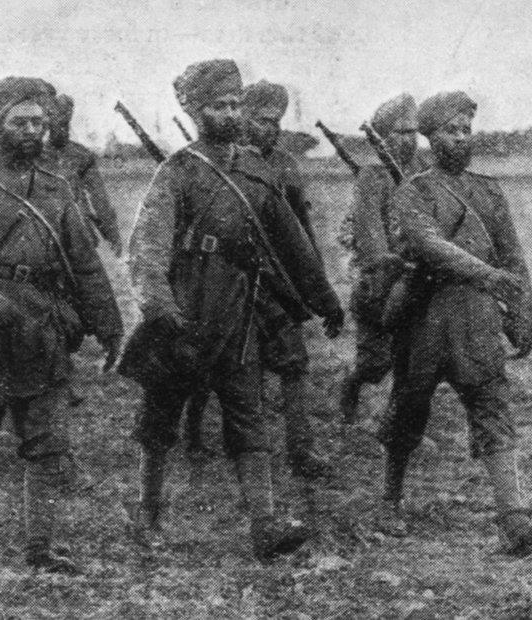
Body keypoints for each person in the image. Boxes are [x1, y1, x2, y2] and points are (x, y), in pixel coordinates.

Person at [123, 59, 344, 562]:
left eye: (234, 104)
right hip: (188, 306)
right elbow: (147, 248)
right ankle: (148, 512)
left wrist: (324, 299)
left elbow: (293, 245)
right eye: (217, 106)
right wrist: (159, 306)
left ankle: (265, 523)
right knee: (161, 414)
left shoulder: (256, 171)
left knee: (247, 411)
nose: (229, 114)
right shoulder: (178, 171)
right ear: (196, 112)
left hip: (240, 310)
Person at [0, 76, 123, 574]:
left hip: (43, 321)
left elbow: (86, 263)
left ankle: (39, 547)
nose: (32, 130)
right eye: (20, 122)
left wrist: (110, 325)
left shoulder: (57, 189)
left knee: (47, 440)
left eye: (39, 121)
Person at [383, 91, 532, 553]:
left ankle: (512, 518)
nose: (461, 139)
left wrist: (522, 316)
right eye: (449, 130)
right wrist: (487, 274)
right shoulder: (414, 190)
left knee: (492, 407)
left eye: (466, 129)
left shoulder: (488, 190)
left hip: (477, 317)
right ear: (429, 137)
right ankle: (390, 500)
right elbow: (427, 244)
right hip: (425, 316)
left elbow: (513, 256)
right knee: (409, 408)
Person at [182, 79, 336, 480]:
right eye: (262, 120)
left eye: (276, 122)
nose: (271, 129)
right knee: (209, 359)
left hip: (277, 283)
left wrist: (317, 288)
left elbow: (300, 229)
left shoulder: (285, 165)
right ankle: (193, 432)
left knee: (294, 363)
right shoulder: (219, 162)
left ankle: (301, 451)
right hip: (228, 279)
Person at [338, 94, 429, 424]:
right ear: (383, 137)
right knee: (375, 363)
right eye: (400, 132)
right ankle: (352, 383)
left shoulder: (424, 174)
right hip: (379, 282)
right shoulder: (372, 178)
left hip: (417, 278)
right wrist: (394, 263)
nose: (408, 140)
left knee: (410, 356)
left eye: (412, 132)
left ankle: (396, 421)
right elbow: (370, 236)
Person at [48, 93, 122, 256]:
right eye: (56, 120)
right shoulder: (35, 154)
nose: (60, 126)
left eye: (63, 122)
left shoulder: (82, 155)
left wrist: (113, 235)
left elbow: (100, 200)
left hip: (77, 237)